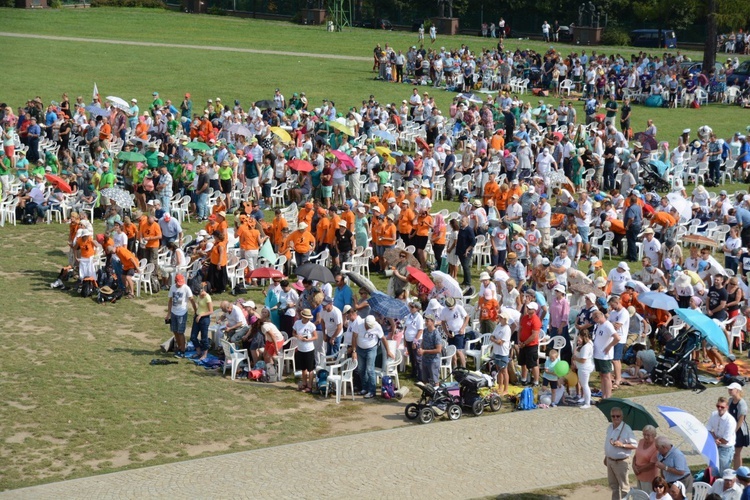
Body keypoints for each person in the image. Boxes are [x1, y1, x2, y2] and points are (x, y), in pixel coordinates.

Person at [352, 315, 393, 399]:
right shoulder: (358, 323)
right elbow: (354, 337)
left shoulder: (377, 326)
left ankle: (372, 391)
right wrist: (354, 351)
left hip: (371, 348)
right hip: (360, 349)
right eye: (367, 326)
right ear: (365, 323)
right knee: (361, 369)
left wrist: (388, 351)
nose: (368, 328)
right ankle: (365, 388)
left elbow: (383, 339)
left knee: (370, 369)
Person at [604, 406, 637, 500]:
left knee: (624, 487)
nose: (615, 418)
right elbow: (608, 443)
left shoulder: (626, 429)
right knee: (614, 486)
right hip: (610, 460)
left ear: (622, 417)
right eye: (613, 416)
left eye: (618, 416)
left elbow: (635, 445)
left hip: (621, 462)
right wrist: (606, 456)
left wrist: (622, 445)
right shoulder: (610, 427)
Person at [165, 274, 196, 358]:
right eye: (178, 283)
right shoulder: (172, 288)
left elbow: (192, 300)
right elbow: (170, 301)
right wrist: (168, 313)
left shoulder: (186, 288)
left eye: (181, 283)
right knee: (175, 331)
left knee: (180, 332)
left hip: (182, 313)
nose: (180, 284)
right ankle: (179, 347)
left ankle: (182, 350)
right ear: (175, 281)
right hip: (174, 313)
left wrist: (195, 311)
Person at [593, 310, 619, 400]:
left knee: (607, 376)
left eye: (594, 318)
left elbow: (617, 338)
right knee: (601, 375)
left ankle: (608, 396)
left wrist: (609, 346)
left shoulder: (608, 325)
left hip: (605, 356)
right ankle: (604, 395)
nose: (594, 320)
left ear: (598, 317)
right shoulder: (599, 325)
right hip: (598, 354)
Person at [707, 396, 738, 474]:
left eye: (722, 407)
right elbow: (708, 429)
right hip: (715, 445)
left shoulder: (730, 421)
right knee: (713, 470)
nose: (719, 408)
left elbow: (725, 440)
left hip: (726, 448)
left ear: (727, 407)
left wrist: (716, 440)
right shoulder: (713, 414)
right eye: (718, 406)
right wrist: (715, 439)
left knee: (724, 472)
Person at [439, 297, 469, 368]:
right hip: (450, 332)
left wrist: (462, 328)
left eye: (452, 307)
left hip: (459, 332)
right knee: (453, 351)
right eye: (450, 307)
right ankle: (454, 367)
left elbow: (467, 317)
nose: (451, 308)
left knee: (459, 350)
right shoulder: (444, 311)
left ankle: (463, 367)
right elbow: (443, 322)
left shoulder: (459, 308)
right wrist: (447, 333)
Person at [293, 309, 318, 393]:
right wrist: (297, 336)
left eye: (308, 318)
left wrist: (308, 340)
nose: (306, 319)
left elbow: (315, 336)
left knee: (310, 368)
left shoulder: (311, 325)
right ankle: (304, 383)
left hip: (309, 348)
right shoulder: (297, 323)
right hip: (300, 348)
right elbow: (293, 332)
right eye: (305, 317)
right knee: (303, 368)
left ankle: (310, 386)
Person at [518, 301, 542, 386]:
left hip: (531, 345)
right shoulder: (525, 318)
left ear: (534, 310)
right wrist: (519, 340)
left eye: (529, 308)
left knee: (533, 364)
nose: (527, 309)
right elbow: (520, 329)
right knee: (523, 363)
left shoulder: (536, 320)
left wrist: (524, 343)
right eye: (527, 308)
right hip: (523, 344)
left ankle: (536, 381)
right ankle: (523, 379)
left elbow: (534, 335)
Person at [728, 382, 750, 468]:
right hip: (732, 429)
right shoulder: (730, 401)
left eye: (731, 389)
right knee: (733, 453)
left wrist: (734, 431)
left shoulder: (742, 403)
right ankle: (736, 469)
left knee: (737, 453)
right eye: (729, 389)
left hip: (740, 430)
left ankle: (738, 471)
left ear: (737, 390)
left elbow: (741, 419)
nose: (729, 391)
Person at [189, 283, 213, 360]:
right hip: (197, 317)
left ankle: (205, 354)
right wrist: (196, 314)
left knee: (204, 337)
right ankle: (198, 351)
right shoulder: (199, 296)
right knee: (193, 336)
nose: (199, 294)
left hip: (204, 318)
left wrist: (201, 315)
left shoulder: (207, 297)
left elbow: (211, 311)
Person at [490, 311, 512, 395]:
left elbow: (501, 342)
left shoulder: (507, 329)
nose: (499, 319)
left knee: (504, 370)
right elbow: (492, 336)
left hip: (503, 352)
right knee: (498, 369)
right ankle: (500, 387)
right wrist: (495, 340)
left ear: (505, 319)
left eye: (501, 318)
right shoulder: (498, 326)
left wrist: (494, 340)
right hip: (496, 351)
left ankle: (506, 389)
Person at [633, 425, 658, 493]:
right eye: (644, 434)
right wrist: (633, 466)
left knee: (647, 496)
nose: (645, 437)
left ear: (654, 435)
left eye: (648, 435)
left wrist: (639, 470)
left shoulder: (656, 446)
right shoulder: (641, 441)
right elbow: (636, 455)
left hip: (649, 477)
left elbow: (652, 464)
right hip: (639, 474)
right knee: (640, 495)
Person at [419, 313, 442, 387]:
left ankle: (436, 396)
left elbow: (438, 350)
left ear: (432, 322)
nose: (425, 322)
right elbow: (423, 341)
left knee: (435, 381)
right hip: (425, 359)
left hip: (433, 361)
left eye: (427, 321)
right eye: (425, 320)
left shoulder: (436, 334)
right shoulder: (425, 330)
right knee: (425, 380)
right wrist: (421, 348)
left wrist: (424, 351)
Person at [573, 329, 595, 409]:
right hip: (586, 366)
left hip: (584, 367)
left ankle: (587, 403)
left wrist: (575, 358)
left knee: (585, 385)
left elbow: (583, 360)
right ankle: (585, 398)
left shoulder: (586, 347)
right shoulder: (589, 343)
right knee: (584, 385)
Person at [403, 300, 424, 381]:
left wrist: (415, 341)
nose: (411, 308)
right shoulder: (409, 316)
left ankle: (420, 376)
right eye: (410, 307)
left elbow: (420, 330)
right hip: (408, 339)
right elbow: (406, 328)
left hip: (416, 340)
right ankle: (413, 373)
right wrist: (405, 339)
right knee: (412, 357)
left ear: (417, 308)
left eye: (413, 307)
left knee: (418, 358)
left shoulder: (419, 317)